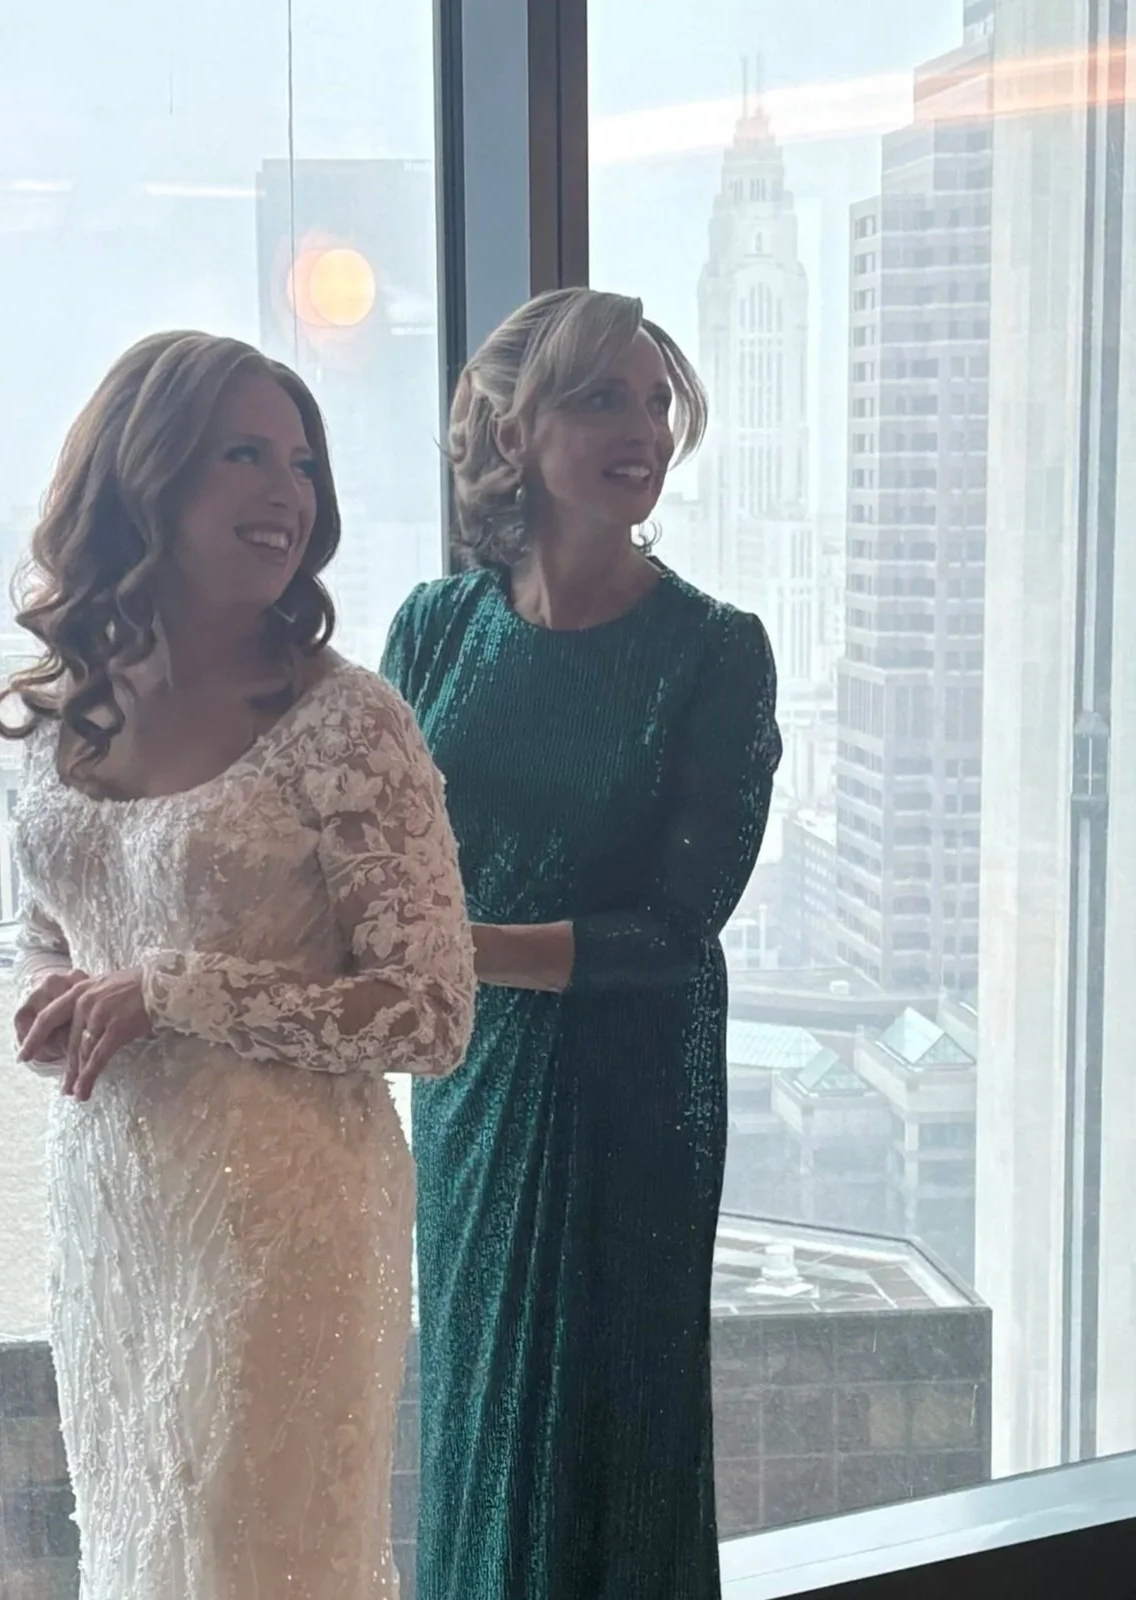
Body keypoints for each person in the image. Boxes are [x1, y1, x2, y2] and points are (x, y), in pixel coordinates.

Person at [0, 330, 475, 1600]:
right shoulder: (64, 709)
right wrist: (54, 991)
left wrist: (170, 991)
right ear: (143, 476)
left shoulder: (346, 719)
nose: (288, 493)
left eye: (303, 463)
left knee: (249, 1557)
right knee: (139, 1541)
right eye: (245, 455)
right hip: (113, 1199)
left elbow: (430, 1013)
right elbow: (57, 924)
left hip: (286, 1212)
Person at [381, 287, 781, 1599]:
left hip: (625, 1101)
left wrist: (455, 951)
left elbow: (674, 932)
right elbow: (368, 862)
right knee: (477, 1416)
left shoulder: (717, 652)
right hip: (470, 1091)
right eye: (602, 395)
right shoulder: (434, 629)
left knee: (612, 1436)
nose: (645, 427)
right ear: (513, 428)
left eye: (658, 400)